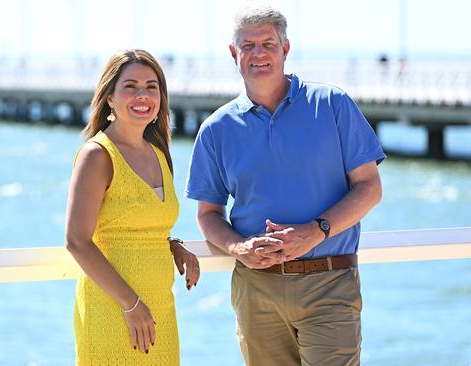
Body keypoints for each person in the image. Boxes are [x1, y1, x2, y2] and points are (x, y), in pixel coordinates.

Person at [184, 5, 385, 366]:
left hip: (329, 280)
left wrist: (316, 231)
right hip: (255, 290)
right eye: (248, 45)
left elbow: (369, 187)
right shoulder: (215, 129)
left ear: (285, 48)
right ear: (234, 53)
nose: (258, 54)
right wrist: (239, 247)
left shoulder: (332, 104)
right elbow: (208, 214)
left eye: (268, 44)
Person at [65, 49, 200, 365]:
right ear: (110, 97)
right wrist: (131, 305)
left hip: (159, 312)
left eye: (152, 86)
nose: (143, 95)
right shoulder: (97, 155)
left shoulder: (158, 152)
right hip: (115, 309)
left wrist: (173, 246)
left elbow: (138, 223)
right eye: (131, 86)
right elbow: (77, 242)